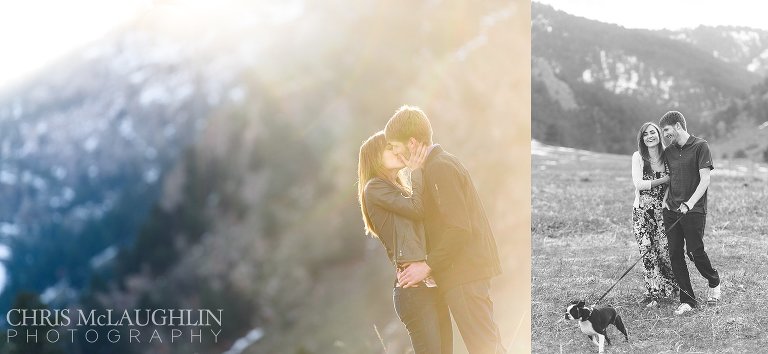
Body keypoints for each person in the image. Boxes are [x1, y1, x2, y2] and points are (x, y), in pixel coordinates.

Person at [385, 105, 506, 354]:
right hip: (461, 272)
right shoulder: (434, 167)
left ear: (412, 142)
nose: (395, 153)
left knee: (485, 347)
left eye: (396, 146)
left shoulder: (440, 167)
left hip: (466, 272)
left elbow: (459, 228)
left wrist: (427, 265)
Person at [357, 131, 452, 353]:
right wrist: (416, 169)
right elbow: (418, 209)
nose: (397, 151)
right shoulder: (374, 188)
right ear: (374, 157)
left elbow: (425, 214)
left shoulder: (400, 190)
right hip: (414, 292)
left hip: (430, 282)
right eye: (389, 148)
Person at [658, 111, 721, 316]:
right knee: (675, 255)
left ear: (678, 125)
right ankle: (687, 300)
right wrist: (665, 200)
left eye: (666, 130)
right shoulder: (669, 151)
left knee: (694, 252)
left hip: (694, 210)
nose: (665, 135)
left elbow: (705, 179)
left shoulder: (701, 146)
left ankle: (713, 280)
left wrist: (689, 204)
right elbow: (670, 178)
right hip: (671, 210)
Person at [631, 122, 677, 308]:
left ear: (659, 134)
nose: (649, 136)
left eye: (653, 132)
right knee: (647, 253)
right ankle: (654, 294)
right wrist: (664, 179)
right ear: (642, 139)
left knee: (665, 251)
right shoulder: (638, 157)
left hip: (662, 212)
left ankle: (672, 289)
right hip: (642, 212)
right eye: (645, 134)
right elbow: (639, 184)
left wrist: (665, 200)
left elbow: (672, 184)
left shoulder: (668, 156)